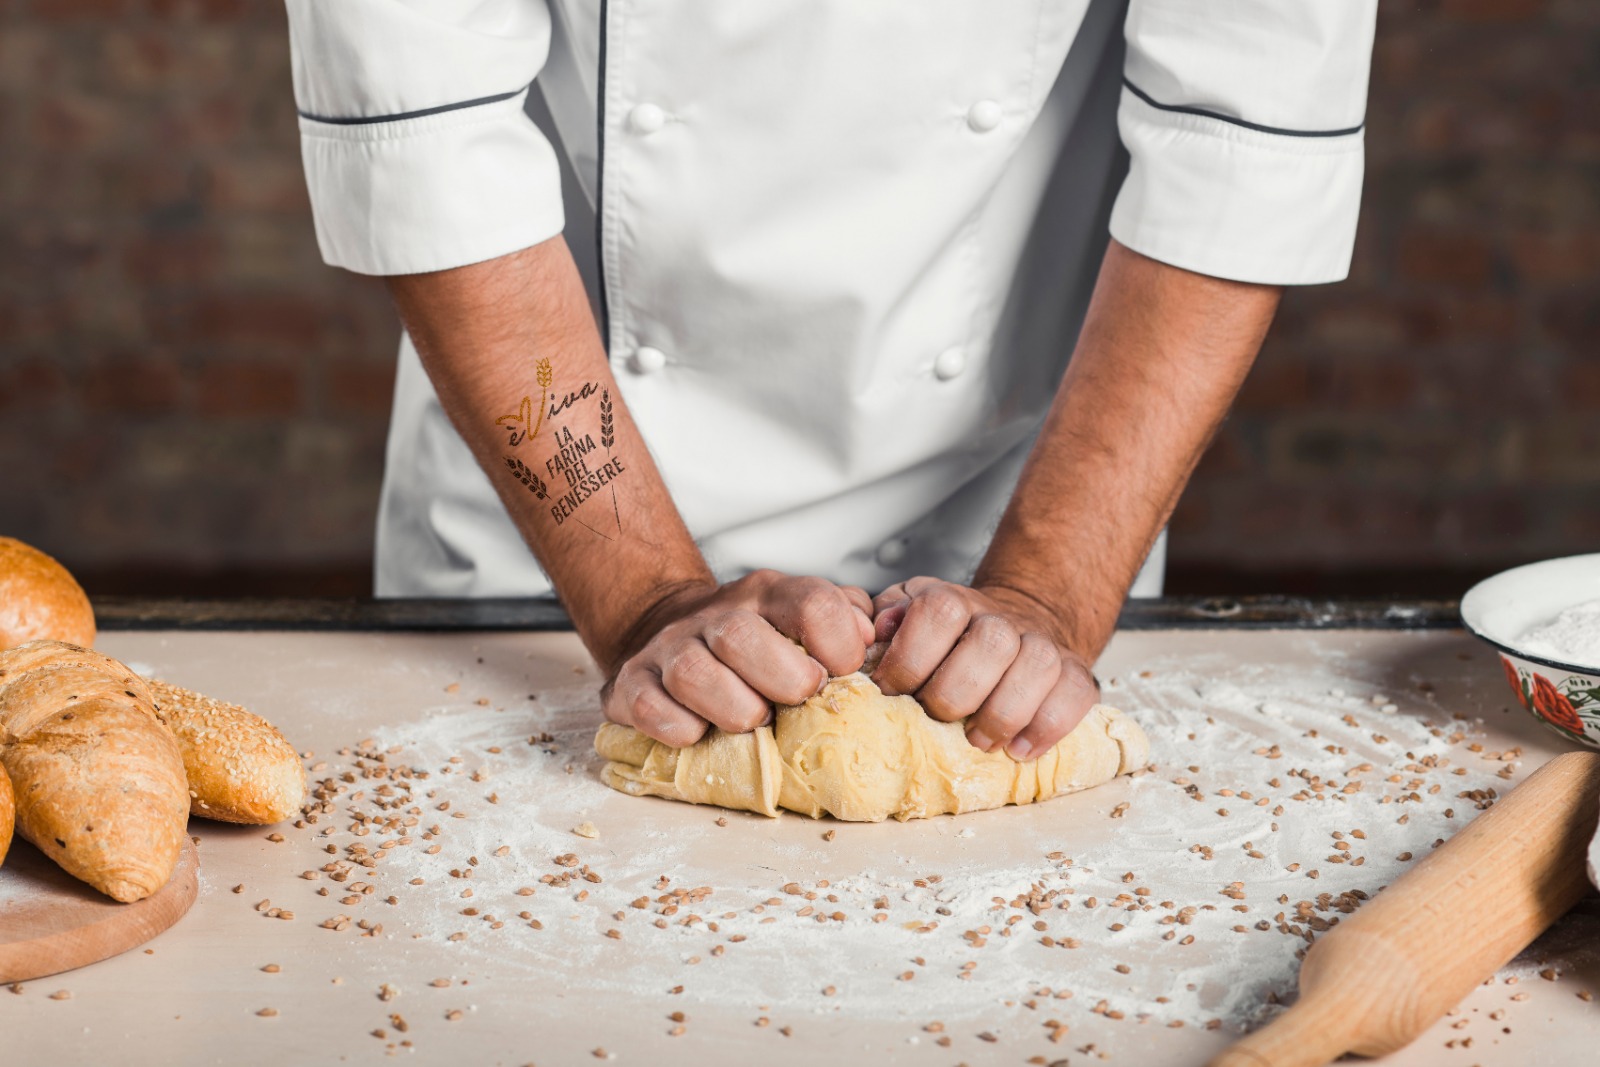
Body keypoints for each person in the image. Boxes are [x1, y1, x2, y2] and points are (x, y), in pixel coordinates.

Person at [284, 0, 1377, 759]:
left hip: (1014, 511)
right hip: (547, 537)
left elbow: (1238, 146)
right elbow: (434, 137)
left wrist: (1045, 595)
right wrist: (643, 599)